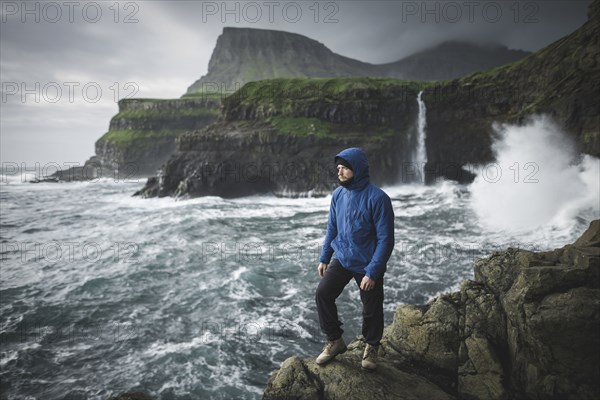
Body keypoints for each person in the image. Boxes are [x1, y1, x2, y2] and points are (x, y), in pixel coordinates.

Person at [315, 147, 395, 370]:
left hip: (368, 262)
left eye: (344, 168)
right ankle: (335, 340)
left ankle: (371, 347)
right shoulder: (338, 195)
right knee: (323, 294)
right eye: (338, 168)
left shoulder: (378, 199)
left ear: (357, 169)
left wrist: (373, 272)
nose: (339, 172)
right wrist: (324, 258)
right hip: (342, 257)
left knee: (371, 307)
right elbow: (332, 228)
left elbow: (386, 240)